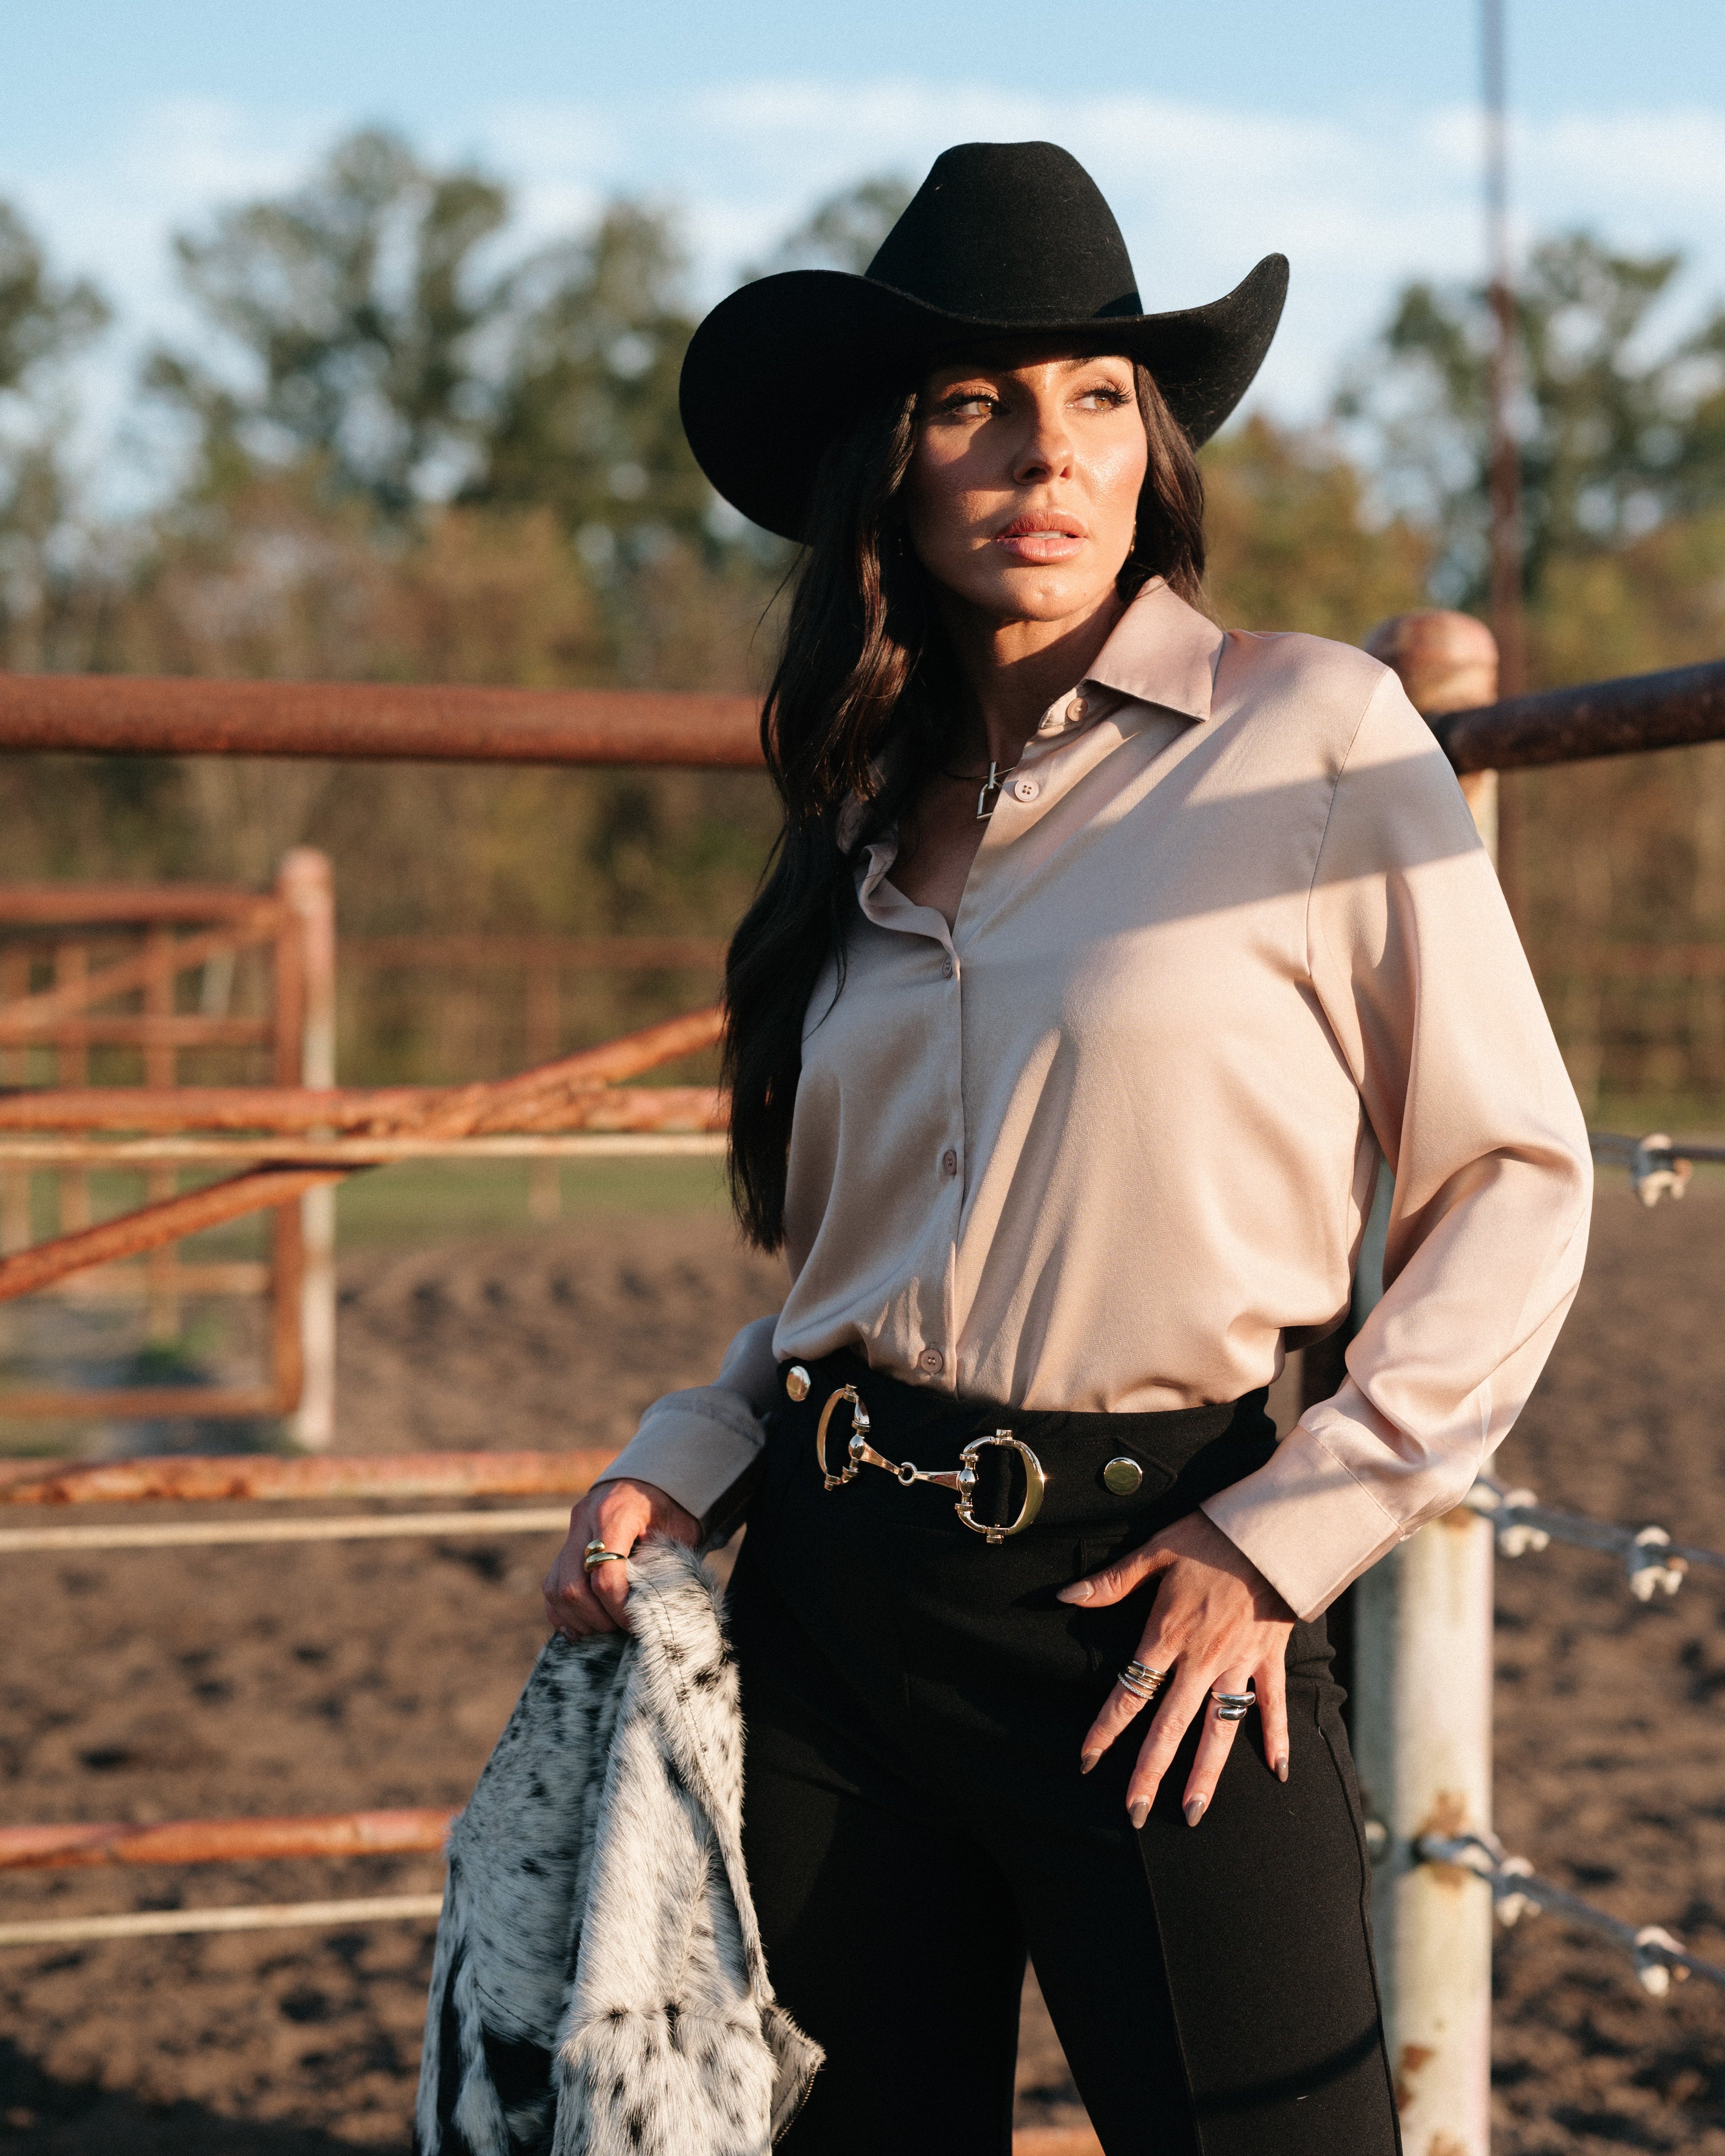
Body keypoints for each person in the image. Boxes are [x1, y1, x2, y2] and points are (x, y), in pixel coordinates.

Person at [542, 141, 1591, 2156]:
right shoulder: (859, 812)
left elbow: (1514, 1177)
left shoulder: (1312, 734)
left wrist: (1285, 1537)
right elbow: (857, 1279)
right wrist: (672, 1465)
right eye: (976, 405)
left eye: (1098, 396)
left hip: (1160, 1611)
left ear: (1153, 448)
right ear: (891, 471)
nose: (1047, 452)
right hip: (834, 1614)